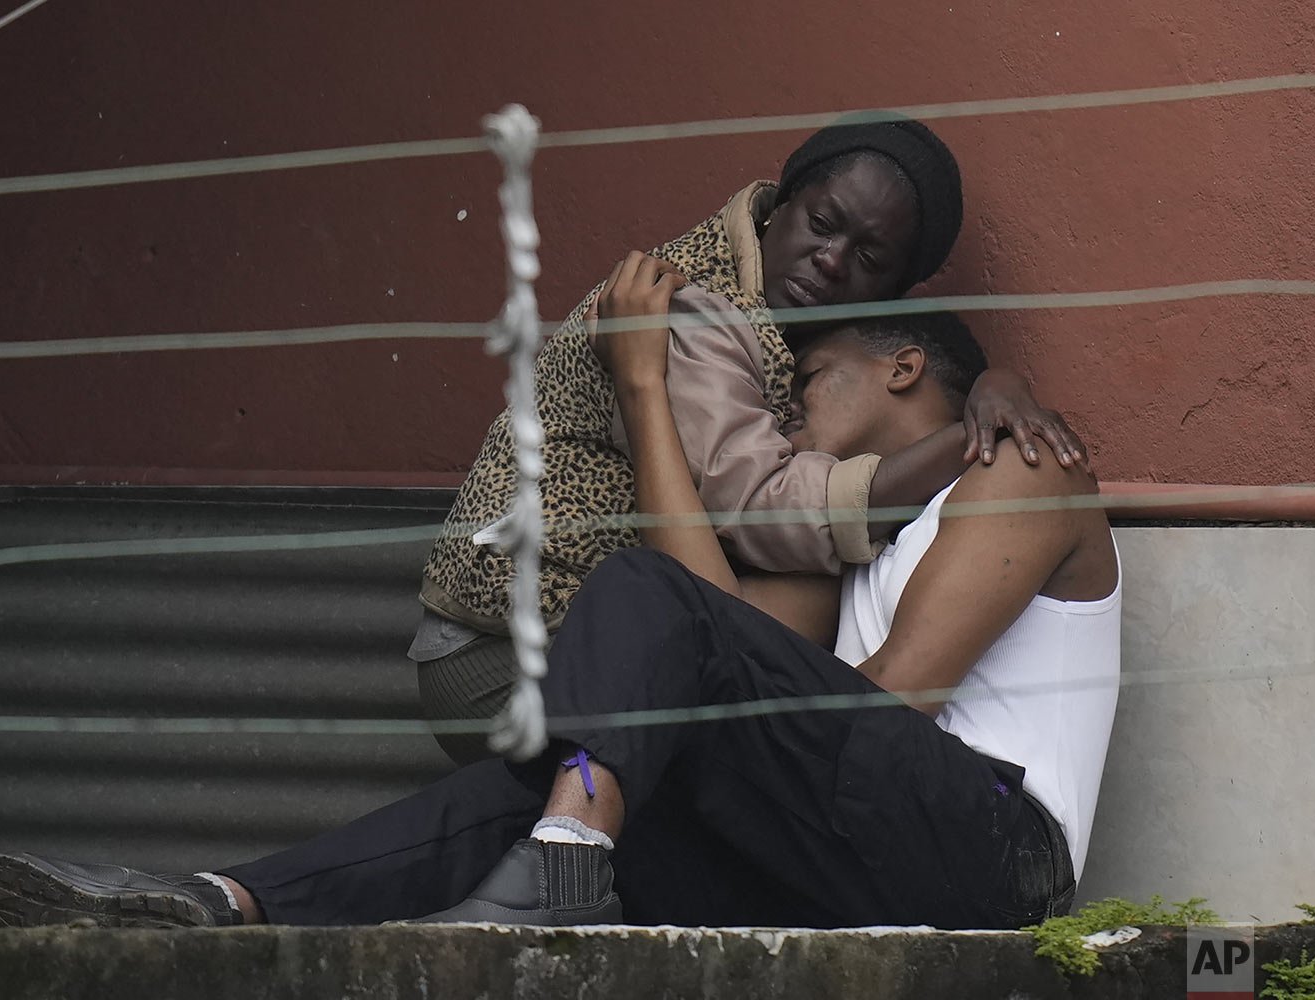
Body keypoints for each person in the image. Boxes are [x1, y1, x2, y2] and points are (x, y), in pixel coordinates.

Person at [0, 294, 1119, 930]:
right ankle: (219, 900)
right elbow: (699, 651)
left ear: (906, 366)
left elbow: (892, 701)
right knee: (540, 775)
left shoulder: (1022, 466)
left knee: (621, 683)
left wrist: (686, 687)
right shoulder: (849, 539)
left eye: (810, 382)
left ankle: (569, 853)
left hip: (992, 854)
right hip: (866, 853)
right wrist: (648, 386)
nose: (792, 420)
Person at [414, 115, 1090, 763]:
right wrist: (967, 437)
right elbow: (759, 502)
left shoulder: (780, 325)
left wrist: (994, 383)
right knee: (787, 613)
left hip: (569, 634)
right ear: (779, 207)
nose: (830, 262)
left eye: (868, 258)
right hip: (497, 653)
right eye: (822, 225)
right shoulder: (688, 309)